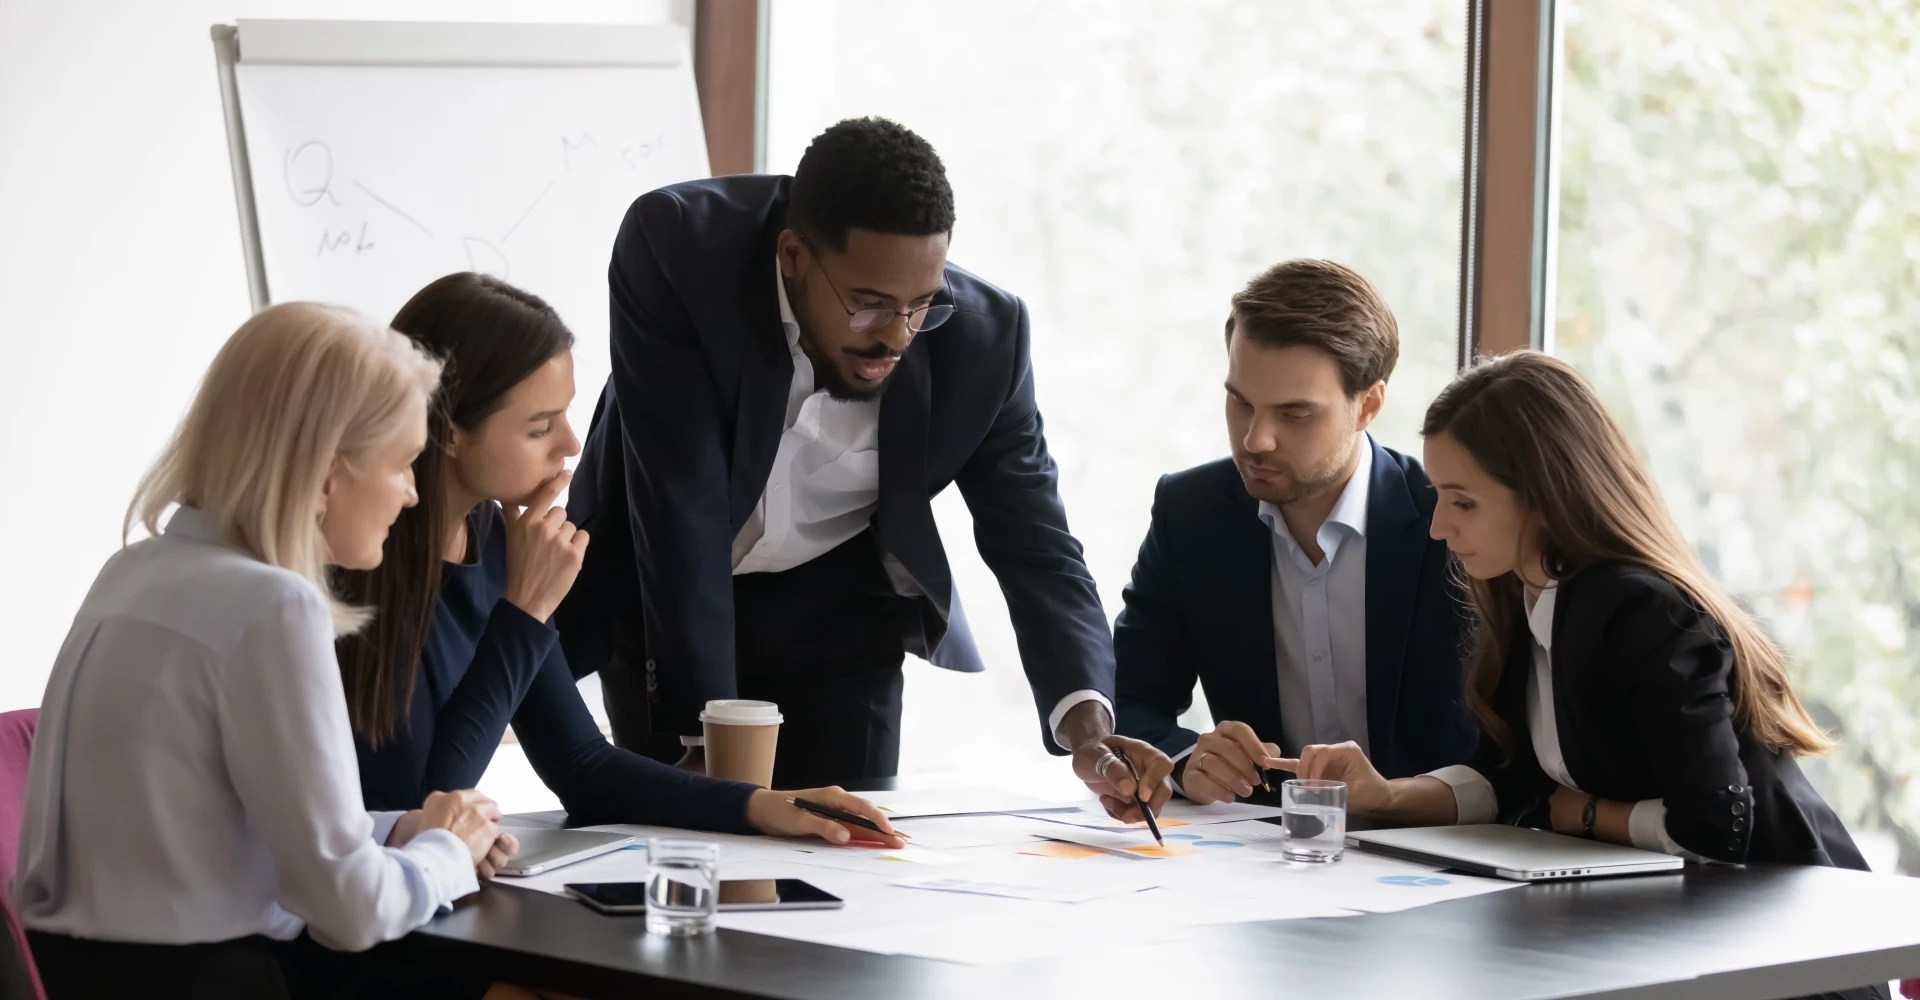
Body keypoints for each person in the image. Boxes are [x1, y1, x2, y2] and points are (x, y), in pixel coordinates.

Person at [558, 116, 1170, 817]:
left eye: (921, 306)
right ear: (792, 257)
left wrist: (1092, 732)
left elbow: (1036, 542)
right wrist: (707, 740)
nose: (895, 336)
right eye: (869, 304)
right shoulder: (678, 249)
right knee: (679, 848)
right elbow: (680, 501)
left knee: (850, 853)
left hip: (840, 612)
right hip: (669, 595)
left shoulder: (985, 339)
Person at [1278, 352, 1884, 1000]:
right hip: (1679, 938)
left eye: (1462, 502)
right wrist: (1388, 796)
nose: (1437, 526)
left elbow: (1717, 825)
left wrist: (1587, 814)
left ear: (1543, 497)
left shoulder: (1638, 610)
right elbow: (1511, 779)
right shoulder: (1527, 597)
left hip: (1789, 964)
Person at [12, 303, 512, 998]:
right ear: (327, 471)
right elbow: (351, 910)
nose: (410, 493)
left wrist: (402, 828)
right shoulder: (274, 606)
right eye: (402, 464)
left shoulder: (132, 573)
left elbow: (227, 821)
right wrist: (449, 852)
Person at [333, 272, 908, 846]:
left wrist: (760, 805)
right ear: (449, 430)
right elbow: (418, 811)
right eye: (540, 428)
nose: (571, 445)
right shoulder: (358, 560)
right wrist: (526, 611)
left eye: (564, 415)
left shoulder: (497, 540)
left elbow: (581, 765)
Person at [1114, 260, 1474, 805]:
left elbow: (1506, 745)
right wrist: (1188, 762)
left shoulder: (1448, 522)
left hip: (1429, 848)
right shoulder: (1191, 512)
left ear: (1368, 405)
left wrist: (1398, 799)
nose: (1256, 440)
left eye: (1295, 414)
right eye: (1240, 402)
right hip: (1258, 853)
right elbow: (1128, 698)